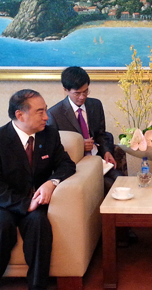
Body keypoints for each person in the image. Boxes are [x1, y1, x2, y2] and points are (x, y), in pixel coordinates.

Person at [0, 89, 76, 290]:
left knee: (39, 224)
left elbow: (66, 165)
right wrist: (23, 204)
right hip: (1, 203)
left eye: (45, 110)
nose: (46, 117)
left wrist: (51, 183)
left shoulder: (49, 135)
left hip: (35, 203)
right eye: (40, 112)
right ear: (20, 115)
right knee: (0, 226)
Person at [47, 66, 122, 195]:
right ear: (66, 90)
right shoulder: (54, 114)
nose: (82, 97)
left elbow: (101, 134)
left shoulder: (95, 105)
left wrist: (107, 152)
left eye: (85, 91)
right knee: (108, 186)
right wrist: (79, 146)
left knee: (121, 181)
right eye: (77, 93)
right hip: (77, 165)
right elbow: (53, 148)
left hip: (98, 160)